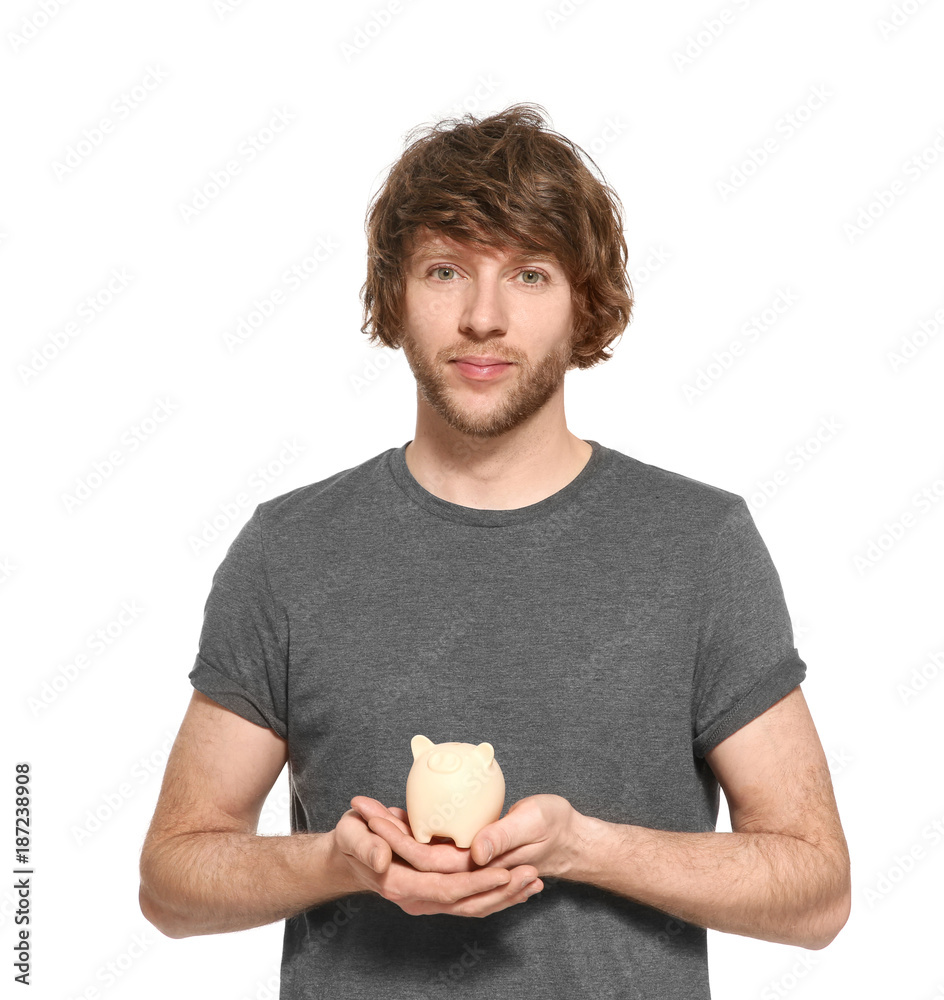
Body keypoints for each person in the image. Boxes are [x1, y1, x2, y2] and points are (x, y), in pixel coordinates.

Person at [138, 103, 850, 998]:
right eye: (445, 271)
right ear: (394, 298)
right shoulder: (290, 551)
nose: (483, 317)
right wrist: (339, 863)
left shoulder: (698, 546)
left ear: (582, 303)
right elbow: (171, 884)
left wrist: (588, 848)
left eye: (529, 274)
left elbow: (817, 894)